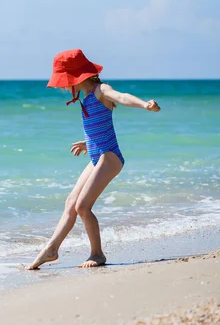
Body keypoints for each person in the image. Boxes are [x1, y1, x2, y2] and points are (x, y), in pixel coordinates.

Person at [27, 49, 161, 269]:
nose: (62, 86)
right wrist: (87, 143)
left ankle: (97, 254)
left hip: (109, 157)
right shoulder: (87, 98)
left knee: (83, 206)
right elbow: (99, 127)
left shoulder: (101, 90)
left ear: (75, 77)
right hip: (97, 155)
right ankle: (51, 250)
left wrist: (144, 104)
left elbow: (122, 97)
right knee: (70, 204)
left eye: (64, 80)